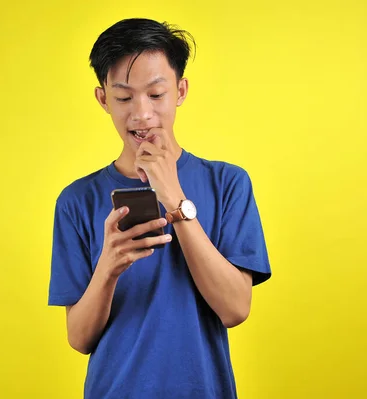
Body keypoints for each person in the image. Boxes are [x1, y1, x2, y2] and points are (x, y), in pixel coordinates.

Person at [48, 18, 272, 399]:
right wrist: (108, 267)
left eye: (156, 94)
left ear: (180, 91)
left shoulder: (229, 183)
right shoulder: (77, 200)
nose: (142, 114)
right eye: (123, 98)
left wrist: (175, 200)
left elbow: (235, 309)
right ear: (103, 99)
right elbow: (79, 338)